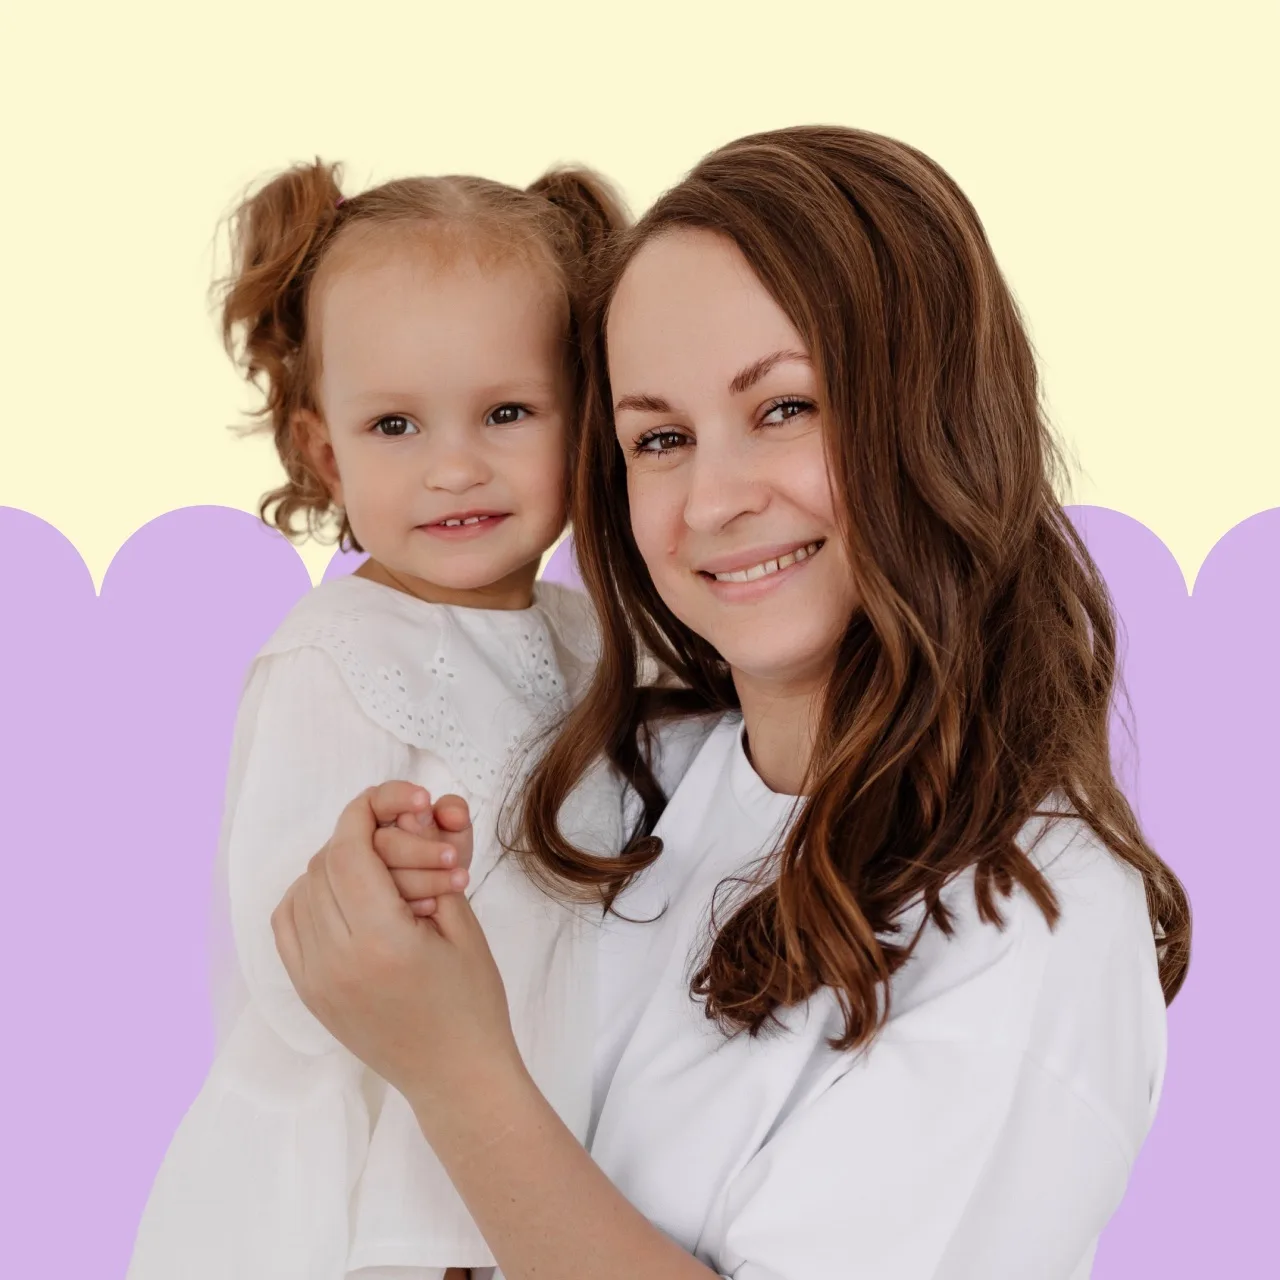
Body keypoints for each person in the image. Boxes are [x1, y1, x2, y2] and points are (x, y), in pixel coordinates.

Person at [271, 125, 1192, 1279]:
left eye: (784, 408)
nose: (710, 499)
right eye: (658, 437)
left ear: (937, 409)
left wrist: (455, 1071)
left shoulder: (1029, 923)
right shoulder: (620, 787)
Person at [127, 157, 628, 1280]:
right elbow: (283, 955)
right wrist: (367, 877)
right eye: (395, 424)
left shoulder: (593, 640)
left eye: (506, 412)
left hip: (556, 1162)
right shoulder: (337, 656)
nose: (454, 466)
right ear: (326, 452)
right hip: (380, 1191)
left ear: (583, 420)